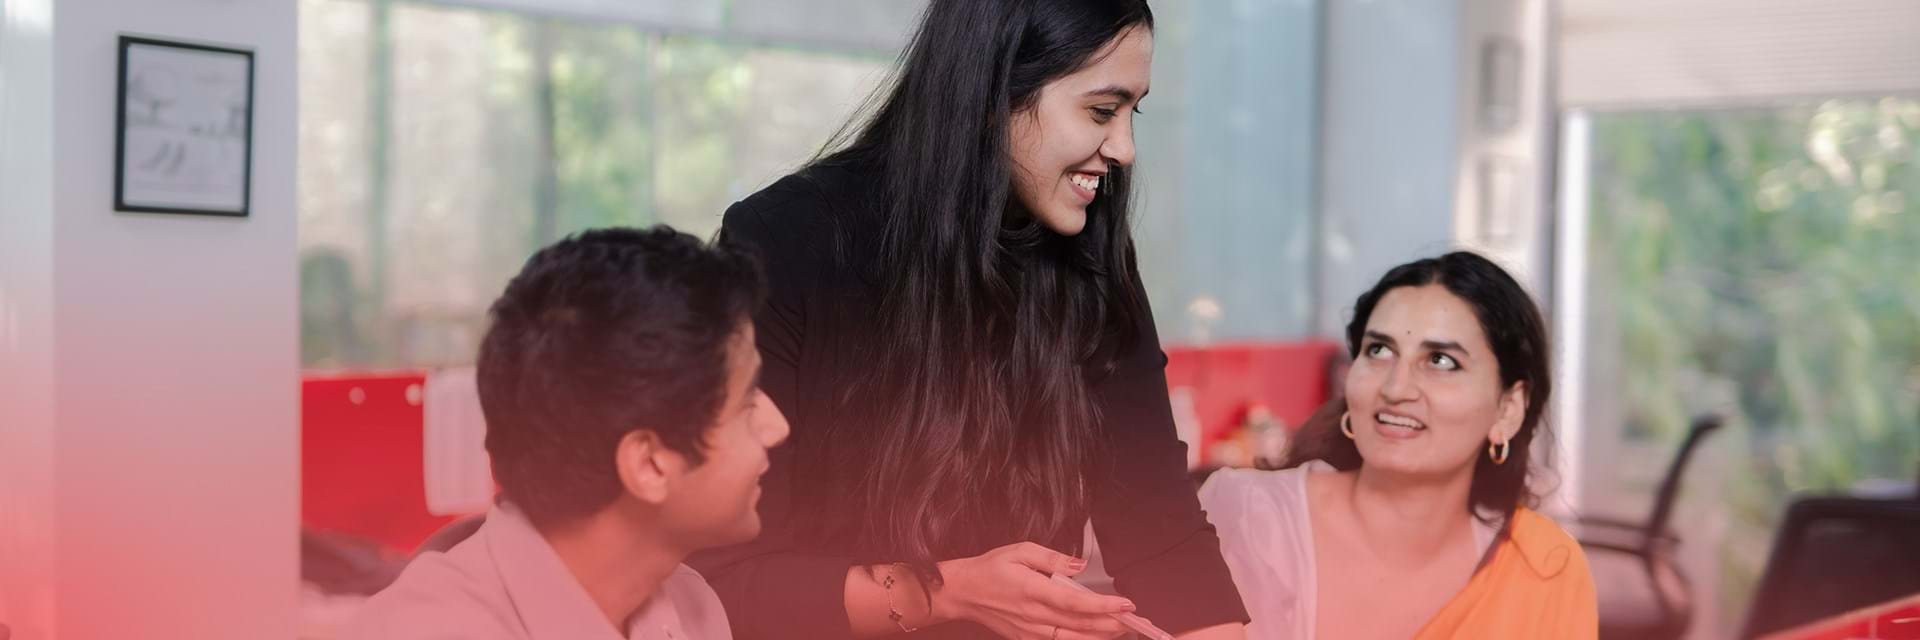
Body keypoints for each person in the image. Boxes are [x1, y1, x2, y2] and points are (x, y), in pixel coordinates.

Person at [684, 1, 1249, 638]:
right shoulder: (786, 238)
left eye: (1131, 112)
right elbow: (719, 576)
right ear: (993, 90)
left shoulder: (1091, 254)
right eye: (1100, 111)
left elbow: (1159, 529)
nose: (1123, 149)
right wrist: (943, 595)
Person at [344, 227, 791, 639]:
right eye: (748, 401)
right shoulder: (428, 630)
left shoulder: (692, 607)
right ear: (649, 464)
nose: (778, 426)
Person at [1199, 252, 1597, 639]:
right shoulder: (1247, 519)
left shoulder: (1543, 568)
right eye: (1379, 351)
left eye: (1441, 361)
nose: (1395, 388)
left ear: (1508, 410)